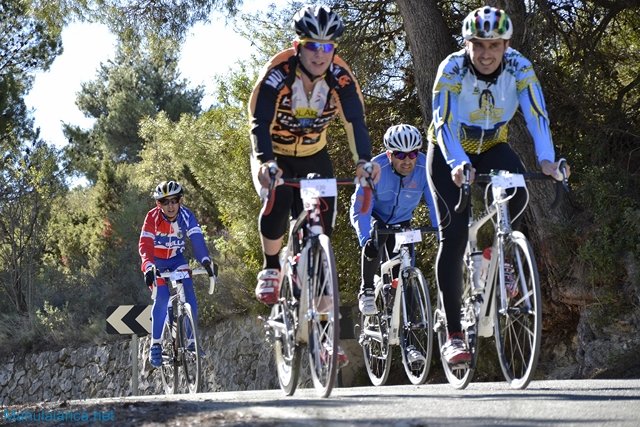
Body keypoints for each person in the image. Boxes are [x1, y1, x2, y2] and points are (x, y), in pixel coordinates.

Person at [427, 6, 570, 365]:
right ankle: (454, 335)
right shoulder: (451, 68)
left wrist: (547, 160)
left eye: (494, 45)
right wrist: (457, 162)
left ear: (506, 45)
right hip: (448, 150)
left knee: (518, 191)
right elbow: (443, 122)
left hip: (492, 145)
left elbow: (537, 115)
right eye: (479, 45)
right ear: (467, 44)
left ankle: (501, 257)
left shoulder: (520, 66)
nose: (486, 53)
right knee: (454, 236)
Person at [248, 5, 380, 365]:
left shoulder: (341, 76)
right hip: (273, 152)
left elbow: (355, 122)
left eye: (327, 47)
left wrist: (364, 162)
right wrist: (265, 163)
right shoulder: (278, 72)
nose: (320, 55)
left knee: (321, 236)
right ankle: (271, 266)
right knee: (277, 197)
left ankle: (324, 339)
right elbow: (259, 122)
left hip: (314, 155)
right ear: (298, 46)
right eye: (312, 46)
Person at [350, 124, 437, 366]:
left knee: (406, 282)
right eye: (400, 154)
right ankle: (367, 289)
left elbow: (434, 202)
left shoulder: (424, 166)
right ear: (389, 154)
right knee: (376, 238)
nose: (407, 160)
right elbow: (361, 208)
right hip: (373, 215)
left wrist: (441, 231)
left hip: (402, 220)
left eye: (413, 153)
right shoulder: (374, 169)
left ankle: (410, 346)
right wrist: (366, 239)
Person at [138, 180, 215, 367]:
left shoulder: (186, 215)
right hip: (156, 262)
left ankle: (191, 341)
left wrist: (205, 261)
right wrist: (148, 266)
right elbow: (145, 245)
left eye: (174, 201)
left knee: (189, 292)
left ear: (180, 200)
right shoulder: (152, 217)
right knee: (162, 297)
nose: (170, 206)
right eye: (165, 202)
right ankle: (156, 344)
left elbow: (197, 239)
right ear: (159, 204)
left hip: (176, 260)